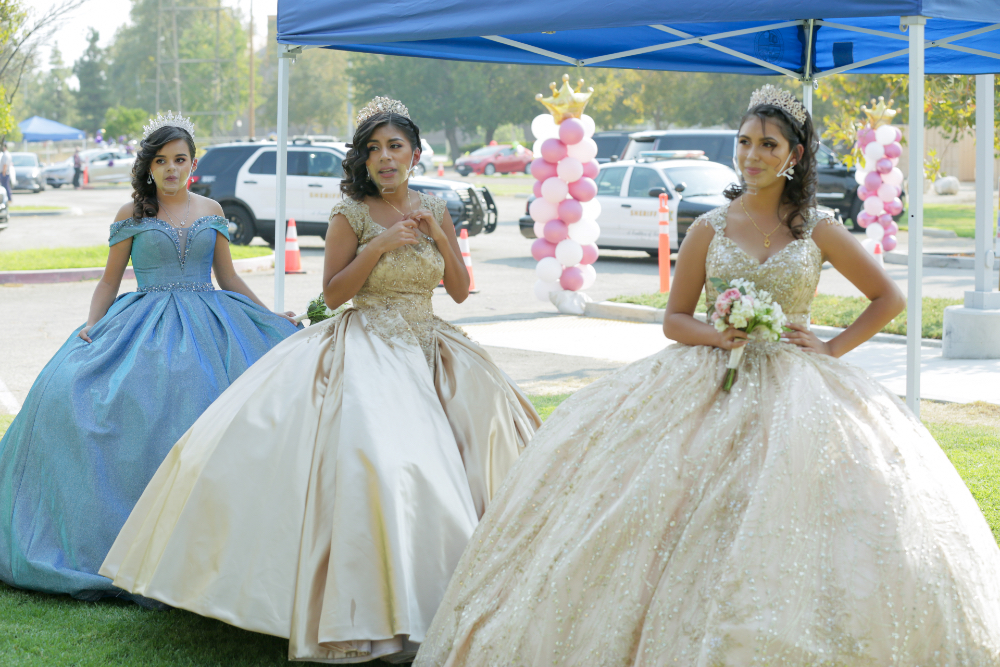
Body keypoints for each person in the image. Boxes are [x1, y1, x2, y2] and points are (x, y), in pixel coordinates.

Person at [413, 86, 1000, 665]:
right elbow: (673, 319)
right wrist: (717, 334)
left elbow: (887, 297)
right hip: (707, 375)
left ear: (794, 155)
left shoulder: (817, 227)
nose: (753, 155)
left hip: (800, 384)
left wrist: (830, 347)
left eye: (768, 144)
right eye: (745, 142)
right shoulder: (708, 228)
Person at [100, 98, 540, 661]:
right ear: (363, 158)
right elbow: (334, 293)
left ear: (415, 153)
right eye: (375, 149)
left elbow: (456, 289)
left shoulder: (435, 207)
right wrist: (379, 244)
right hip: (371, 341)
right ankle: (389, 606)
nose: (385, 158)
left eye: (396, 147)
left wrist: (440, 234)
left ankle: (479, 586)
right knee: (386, 461)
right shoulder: (348, 213)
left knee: (492, 444)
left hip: (434, 343)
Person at [0, 113, 300, 605]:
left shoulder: (212, 209)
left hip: (211, 320)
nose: (171, 169)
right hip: (145, 317)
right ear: (150, 167)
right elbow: (109, 281)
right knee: (85, 402)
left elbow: (230, 278)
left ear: (193, 163)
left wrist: (270, 317)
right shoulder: (132, 213)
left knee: (218, 411)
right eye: (161, 161)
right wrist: (93, 324)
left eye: (179, 159)